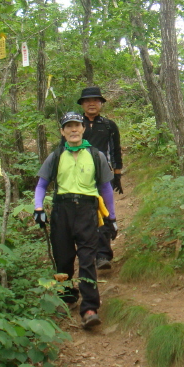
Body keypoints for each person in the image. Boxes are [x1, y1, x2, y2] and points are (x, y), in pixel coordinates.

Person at [33, 112, 117, 330]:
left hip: (88, 210)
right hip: (62, 209)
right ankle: (66, 296)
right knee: (63, 257)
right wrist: (38, 208)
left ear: (83, 129)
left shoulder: (95, 155)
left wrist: (111, 217)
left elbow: (106, 188)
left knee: (87, 258)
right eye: (68, 126)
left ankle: (90, 309)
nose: (73, 130)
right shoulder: (57, 155)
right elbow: (42, 185)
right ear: (62, 131)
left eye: (76, 126)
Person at [77, 86, 123, 270]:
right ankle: (86, 254)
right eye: (87, 101)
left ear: (101, 103)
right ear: (82, 104)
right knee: (83, 215)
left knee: (103, 212)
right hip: (78, 177)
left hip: (103, 176)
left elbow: (115, 150)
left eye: (95, 100)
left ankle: (103, 255)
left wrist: (117, 175)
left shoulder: (108, 125)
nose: (91, 104)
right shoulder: (74, 124)